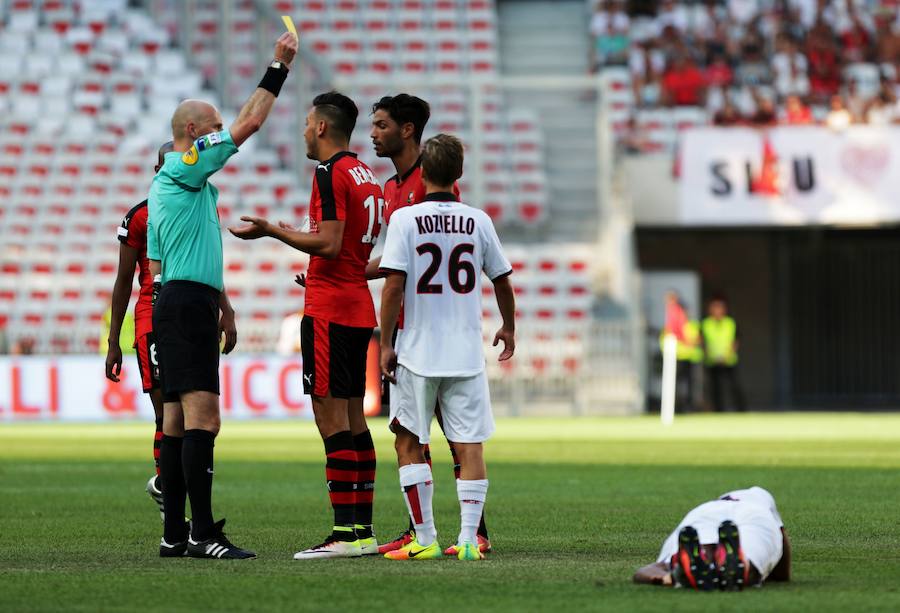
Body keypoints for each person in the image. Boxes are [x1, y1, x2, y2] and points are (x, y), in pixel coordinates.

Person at [148, 30, 298, 560]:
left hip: (177, 301)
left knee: (173, 420)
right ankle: (203, 534)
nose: (221, 135)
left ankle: (173, 535)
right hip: (186, 305)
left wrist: (223, 305)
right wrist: (278, 66)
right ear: (193, 132)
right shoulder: (185, 167)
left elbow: (159, 264)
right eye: (213, 128)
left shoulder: (180, 188)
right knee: (204, 417)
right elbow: (250, 122)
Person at [229, 91, 382, 560]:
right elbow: (350, 251)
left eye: (305, 122)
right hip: (356, 305)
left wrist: (273, 230)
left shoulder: (329, 172)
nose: (301, 131)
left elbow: (331, 244)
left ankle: (345, 535)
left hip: (331, 310)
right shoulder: (366, 174)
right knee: (355, 420)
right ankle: (363, 531)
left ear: (320, 127)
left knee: (329, 417)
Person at [377, 134, 516, 561]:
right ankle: (471, 540)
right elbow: (502, 279)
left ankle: (425, 537)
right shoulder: (478, 220)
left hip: (418, 351)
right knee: (470, 445)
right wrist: (509, 326)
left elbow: (394, 284)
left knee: (408, 441)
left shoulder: (405, 219)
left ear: (422, 172)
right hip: (465, 352)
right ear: (459, 175)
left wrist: (385, 344)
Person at [105, 141, 174, 522]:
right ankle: (170, 496)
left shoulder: (195, 208)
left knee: (196, 415)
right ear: (157, 169)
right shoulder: (140, 217)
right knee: (166, 414)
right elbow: (123, 280)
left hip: (189, 317)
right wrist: (114, 340)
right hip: (152, 319)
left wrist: (223, 309)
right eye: (168, 165)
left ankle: (172, 488)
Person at [633, 486, 792, 591]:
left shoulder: (715, 503)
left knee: (666, 563)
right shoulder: (760, 495)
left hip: (704, 512)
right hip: (754, 513)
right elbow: (781, 574)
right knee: (750, 559)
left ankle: (674, 573)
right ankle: (742, 569)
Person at [701, 297, 746, 412]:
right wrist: (708, 354)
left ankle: (741, 410)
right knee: (715, 388)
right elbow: (702, 341)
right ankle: (718, 410)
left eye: (720, 307)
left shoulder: (730, 323)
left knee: (735, 386)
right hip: (712, 361)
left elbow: (735, 340)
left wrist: (727, 355)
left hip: (728, 360)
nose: (717, 310)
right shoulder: (705, 323)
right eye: (714, 307)